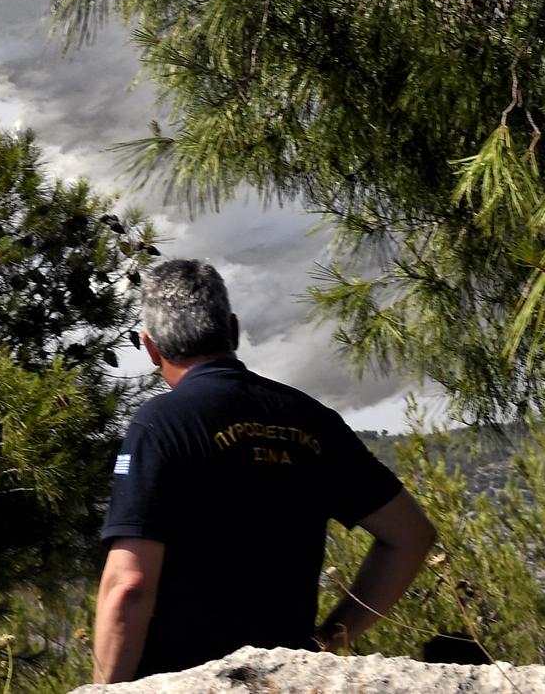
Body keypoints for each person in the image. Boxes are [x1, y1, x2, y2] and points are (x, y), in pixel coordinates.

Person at [92, 259, 438, 683]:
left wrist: (108, 691)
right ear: (233, 331)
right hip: (284, 681)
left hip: (185, 681)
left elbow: (129, 586)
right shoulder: (312, 420)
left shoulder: (159, 425)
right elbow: (412, 536)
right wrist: (328, 642)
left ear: (150, 347)